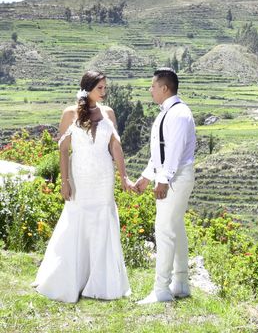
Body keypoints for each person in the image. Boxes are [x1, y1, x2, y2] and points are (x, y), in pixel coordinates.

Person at [33, 71, 135, 303]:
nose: (104, 92)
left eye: (105, 88)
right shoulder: (70, 113)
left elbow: (116, 147)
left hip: (103, 177)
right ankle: (71, 278)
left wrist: (123, 177)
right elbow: (63, 150)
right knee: (76, 221)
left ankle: (100, 280)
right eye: (100, 88)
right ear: (87, 88)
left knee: (103, 220)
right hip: (80, 177)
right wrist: (64, 181)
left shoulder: (108, 113)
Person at [134, 68, 196, 304]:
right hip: (172, 176)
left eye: (153, 86)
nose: (150, 90)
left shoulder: (178, 113)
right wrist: (147, 176)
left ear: (164, 88)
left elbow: (175, 151)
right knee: (176, 228)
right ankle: (180, 283)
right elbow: (160, 151)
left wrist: (163, 180)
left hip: (176, 178)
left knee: (164, 230)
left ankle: (161, 290)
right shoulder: (167, 113)